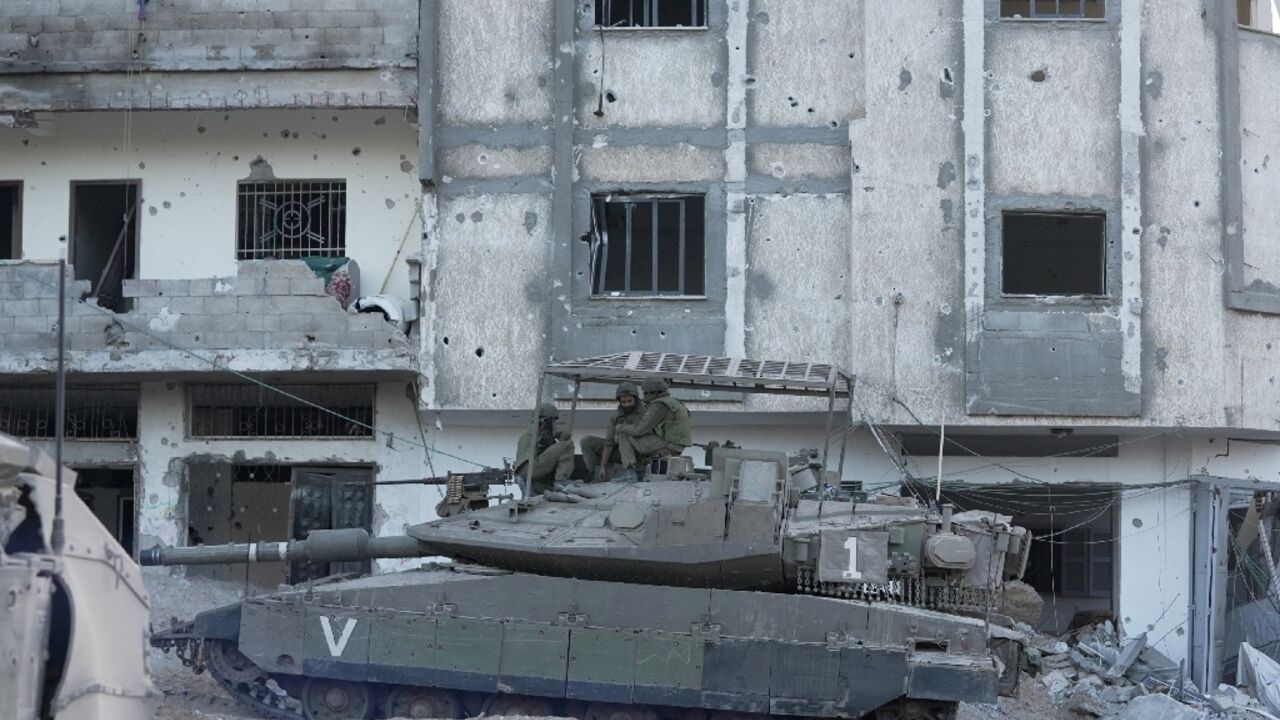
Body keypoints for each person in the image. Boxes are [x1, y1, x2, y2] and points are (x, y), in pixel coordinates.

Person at [614, 378, 691, 480]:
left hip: (668, 447)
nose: (644, 396)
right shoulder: (674, 402)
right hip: (675, 446)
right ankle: (640, 472)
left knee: (625, 434)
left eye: (646, 393)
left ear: (654, 393)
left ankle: (630, 473)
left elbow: (639, 430)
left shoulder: (659, 405)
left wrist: (620, 427)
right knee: (637, 440)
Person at [580, 382, 643, 482]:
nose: (627, 405)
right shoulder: (616, 417)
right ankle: (595, 475)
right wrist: (602, 467)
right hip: (620, 451)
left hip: (639, 452)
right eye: (623, 402)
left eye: (630, 401)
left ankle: (635, 472)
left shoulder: (646, 413)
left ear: (636, 399)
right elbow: (609, 443)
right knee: (587, 441)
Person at [514, 402, 574, 495]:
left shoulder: (532, 431)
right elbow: (566, 436)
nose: (555, 424)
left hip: (525, 471)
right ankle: (561, 480)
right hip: (532, 468)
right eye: (553, 421)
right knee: (567, 445)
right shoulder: (542, 426)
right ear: (547, 420)